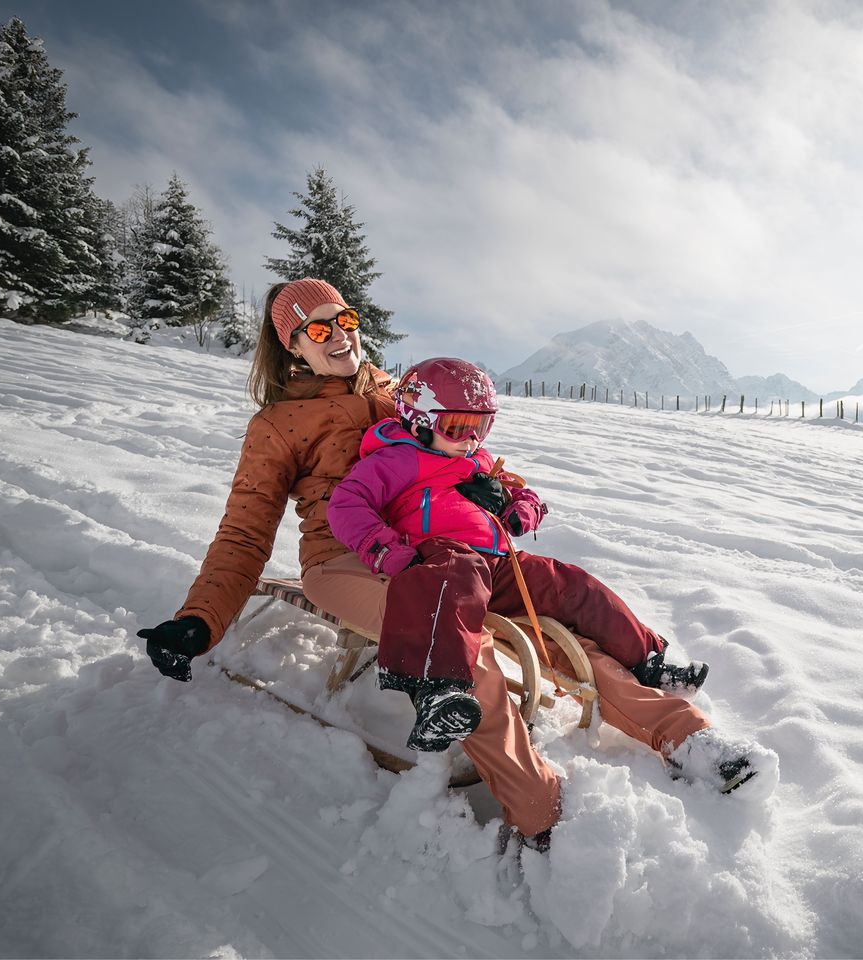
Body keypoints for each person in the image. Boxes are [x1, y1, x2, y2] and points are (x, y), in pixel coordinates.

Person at [137, 282, 773, 846]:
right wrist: (200, 620)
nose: (342, 338)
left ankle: (689, 739)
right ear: (292, 347)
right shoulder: (277, 425)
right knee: (466, 651)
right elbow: (245, 534)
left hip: (454, 553)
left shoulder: (399, 392)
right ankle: (540, 809)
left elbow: (478, 457)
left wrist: (499, 495)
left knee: (560, 634)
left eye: (348, 320)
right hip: (347, 561)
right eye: (320, 329)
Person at [325, 357, 712, 753]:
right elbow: (345, 506)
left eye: (481, 428)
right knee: (457, 575)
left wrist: (517, 510)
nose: (470, 439)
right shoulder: (395, 460)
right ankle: (437, 693)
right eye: (457, 427)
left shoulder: (479, 460)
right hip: (442, 560)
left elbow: (527, 494)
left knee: (570, 582)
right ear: (419, 420)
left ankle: (647, 659)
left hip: (499, 565)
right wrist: (390, 553)